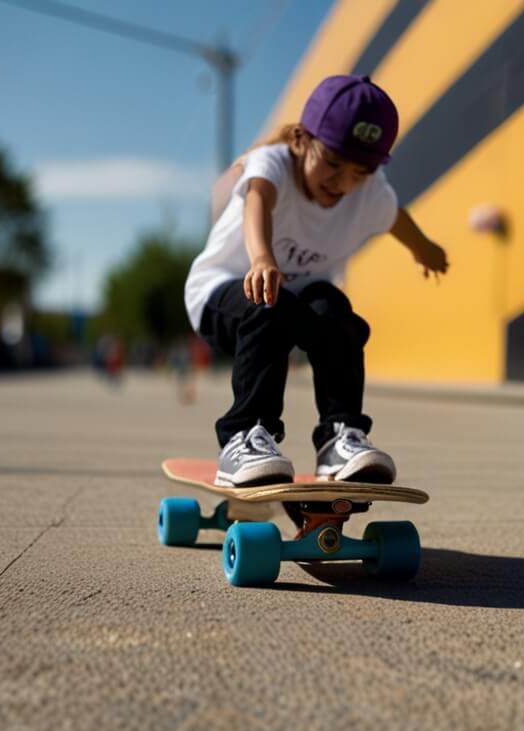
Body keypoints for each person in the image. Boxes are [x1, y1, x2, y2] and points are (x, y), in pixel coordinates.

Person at [185, 74, 449, 488]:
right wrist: (261, 258)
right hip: (220, 291)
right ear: (300, 140)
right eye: (332, 163)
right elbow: (258, 198)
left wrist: (423, 248)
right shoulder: (273, 162)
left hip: (298, 302)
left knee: (335, 314)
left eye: (358, 174)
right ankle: (246, 437)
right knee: (270, 304)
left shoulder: (369, 193)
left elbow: (394, 217)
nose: (342, 183)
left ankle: (338, 438)